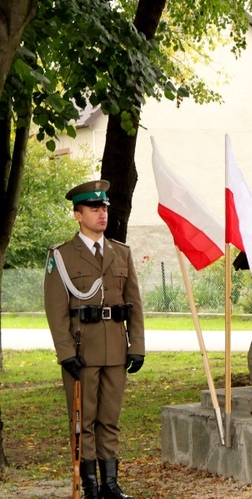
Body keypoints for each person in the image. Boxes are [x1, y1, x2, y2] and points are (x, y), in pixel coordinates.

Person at [44, 180, 145, 498]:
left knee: (110, 419)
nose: (101, 214)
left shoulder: (121, 252)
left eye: (104, 208)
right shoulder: (61, 256)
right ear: (77, 214)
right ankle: (89, 486)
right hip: (81, 349)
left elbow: (135, 303)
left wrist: (137, 345)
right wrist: (64, 352)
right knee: (83, 421)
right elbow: (55, 308)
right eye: (93, 209)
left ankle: (110, 485)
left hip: (115, 349)